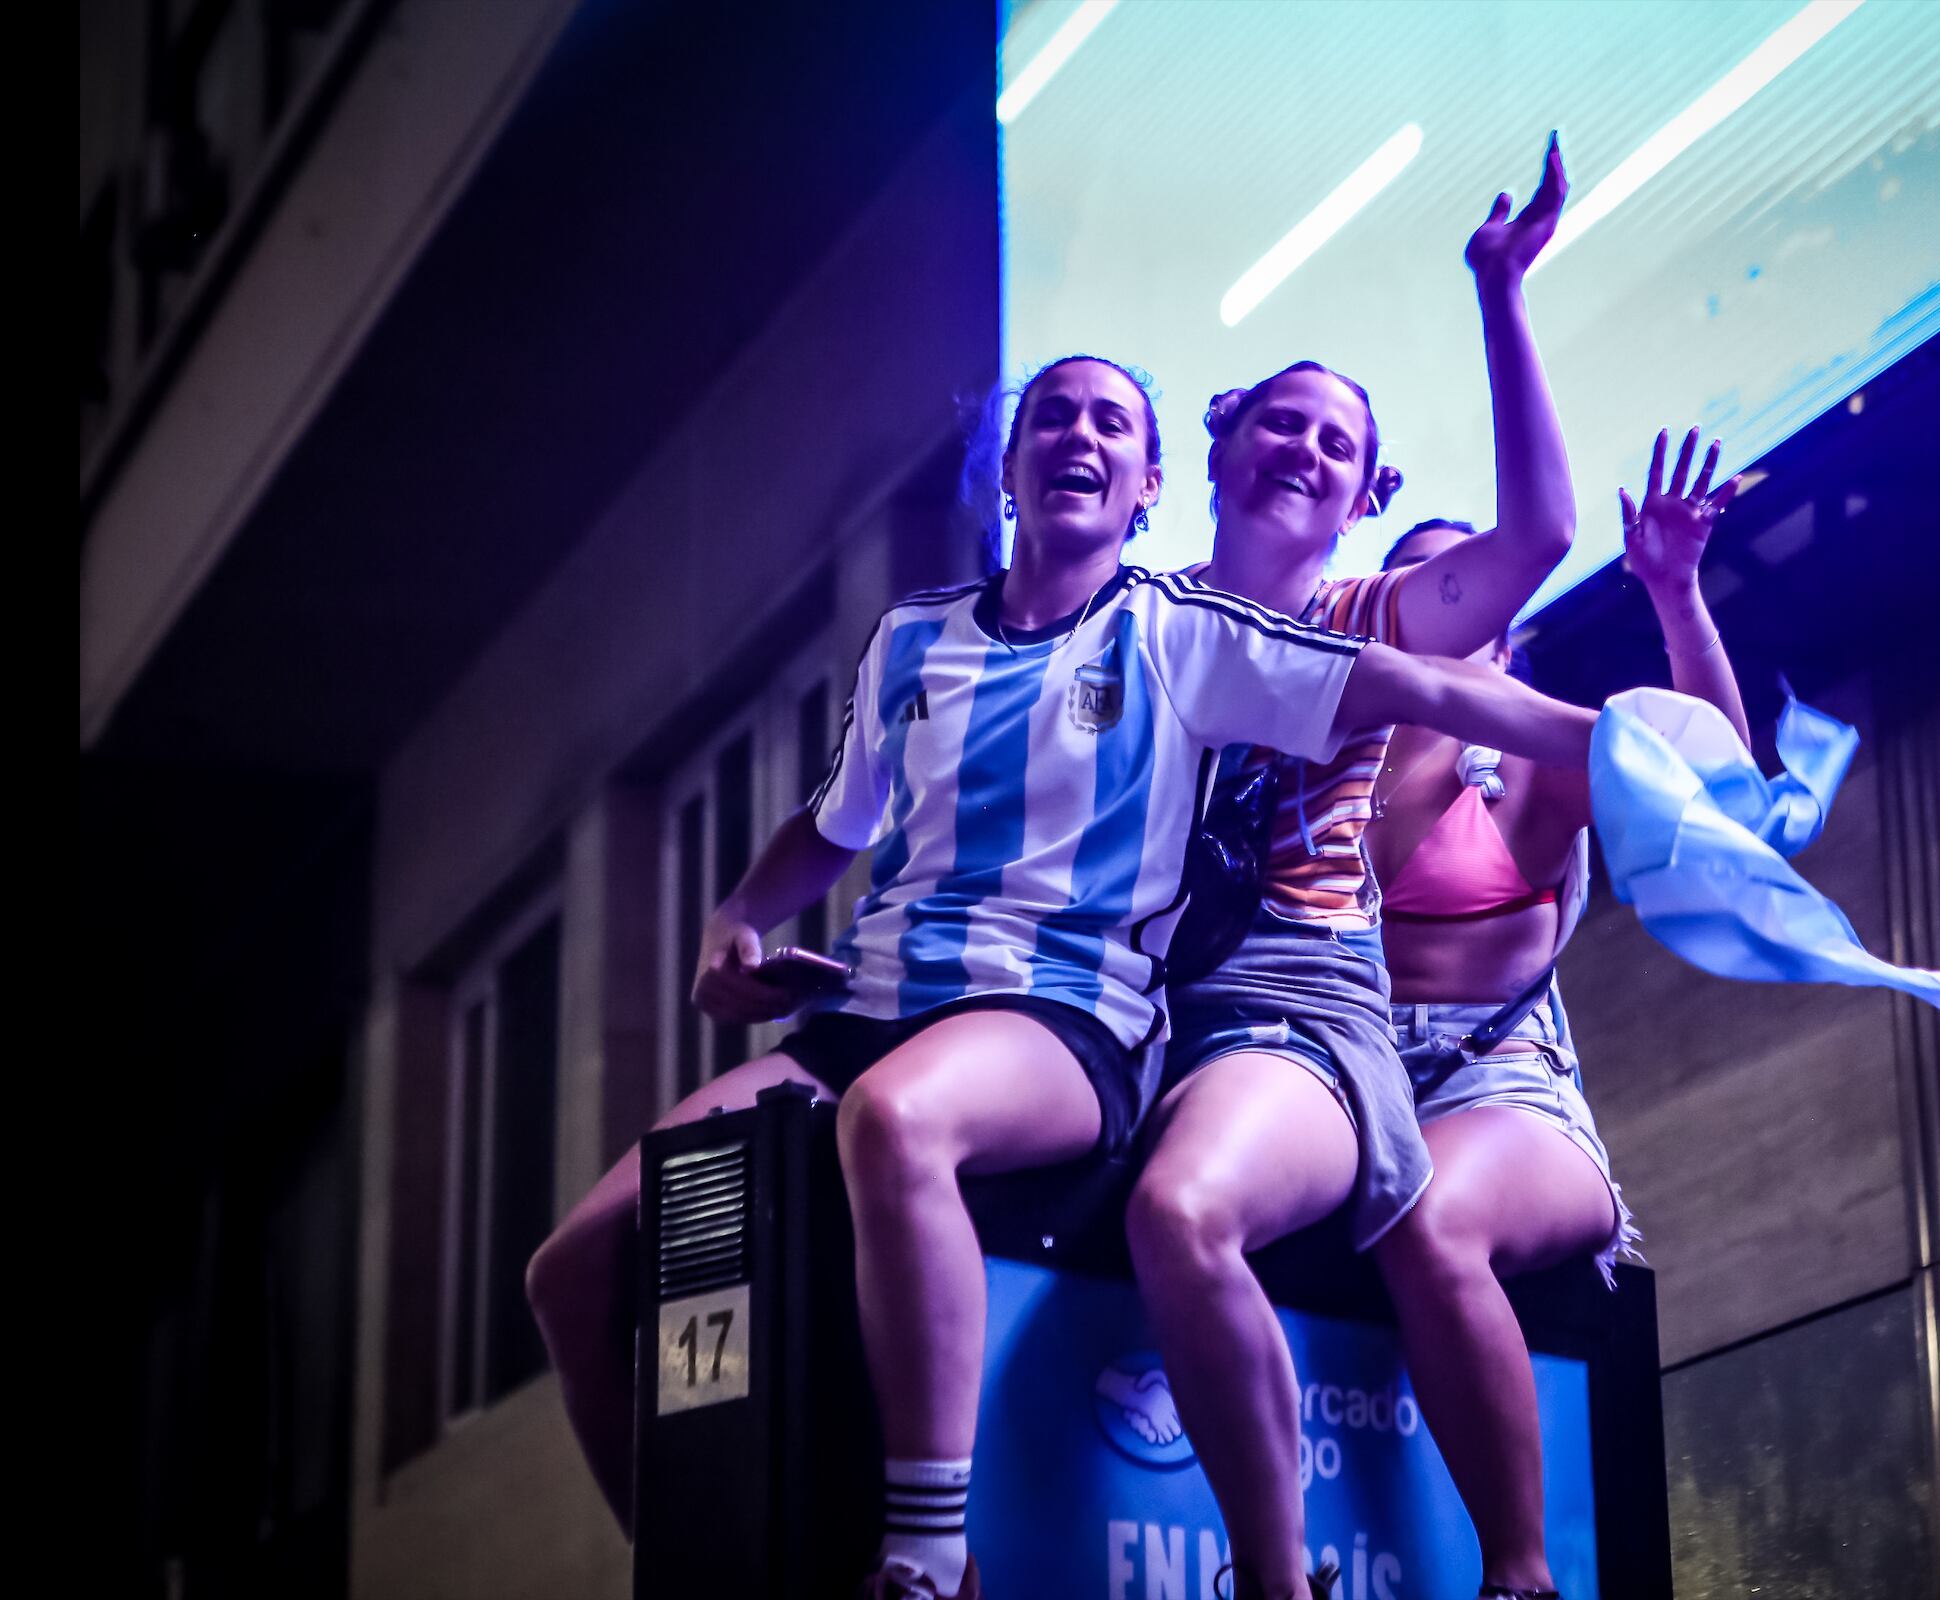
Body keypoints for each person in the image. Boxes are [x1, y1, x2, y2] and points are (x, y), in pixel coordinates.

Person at [522, 352, 1602, 1600]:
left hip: (1102, 1013)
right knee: (577, 1270)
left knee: (958, 1139)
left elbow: (1436, 664)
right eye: (1053, 414)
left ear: (1148, 481)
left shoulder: (1192, 629)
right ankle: (688, 1576)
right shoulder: (917, 638)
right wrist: (734, 920)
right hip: (880, 1011)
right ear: (1015, 461)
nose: (1078, 435)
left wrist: (1622, 736)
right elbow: (834, 820)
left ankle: (952, 1552)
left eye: (1108, 419)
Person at [1125, 135, 1585, 1600]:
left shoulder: (1372, 616)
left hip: (1296, 1010)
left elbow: (1541, 537)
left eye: (1339, 441)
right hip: (1125, 1009)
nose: (1305, 449)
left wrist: (1500, 292)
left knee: (1182, 1213)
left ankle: (1327, 1577)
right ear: (1219, 444)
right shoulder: (1130, 624)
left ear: (1366, 487)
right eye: (1281, 420)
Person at [1367, 429, 1744, 1600]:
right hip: (1347, 1082)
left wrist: (1676, 595)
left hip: (1505, 1092)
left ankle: (1522, 1574)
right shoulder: (1325, 763)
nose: (1446, 603)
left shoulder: (1538, 761)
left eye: (1470, 586)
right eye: (1423, 588)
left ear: (1506, 620)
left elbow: (1714, 779)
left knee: (1426, 1216)